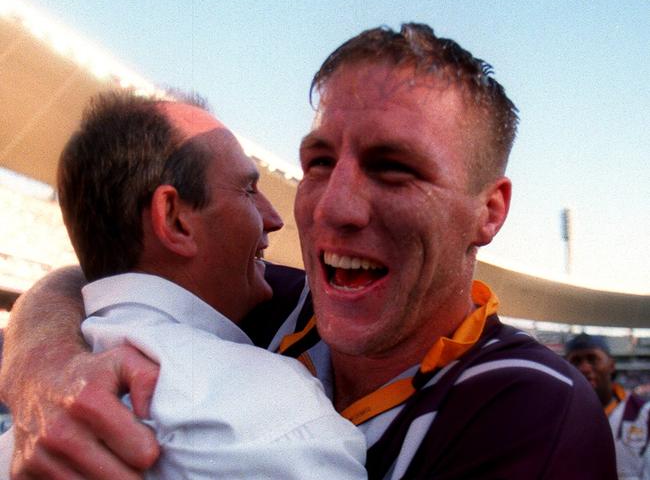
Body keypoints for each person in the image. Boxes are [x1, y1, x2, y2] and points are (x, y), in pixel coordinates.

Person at [0, 24, 616, 479]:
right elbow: (111, 273)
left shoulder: (532, 415)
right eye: (319, 161)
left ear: (490, 211)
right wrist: (43, 359)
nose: (330, 207)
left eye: (394, 168)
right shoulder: (275, 304)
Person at [0, 91, 366, 479]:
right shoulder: (273, 414)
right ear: (174, 219)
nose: (274, 218)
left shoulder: (29, 431)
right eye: (247, 190)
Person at [566, 333, 650, 479]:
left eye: (592, 359)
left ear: (611, 365)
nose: (584, 368)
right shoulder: (557, 417)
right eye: (576, 361)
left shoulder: (644, 413)